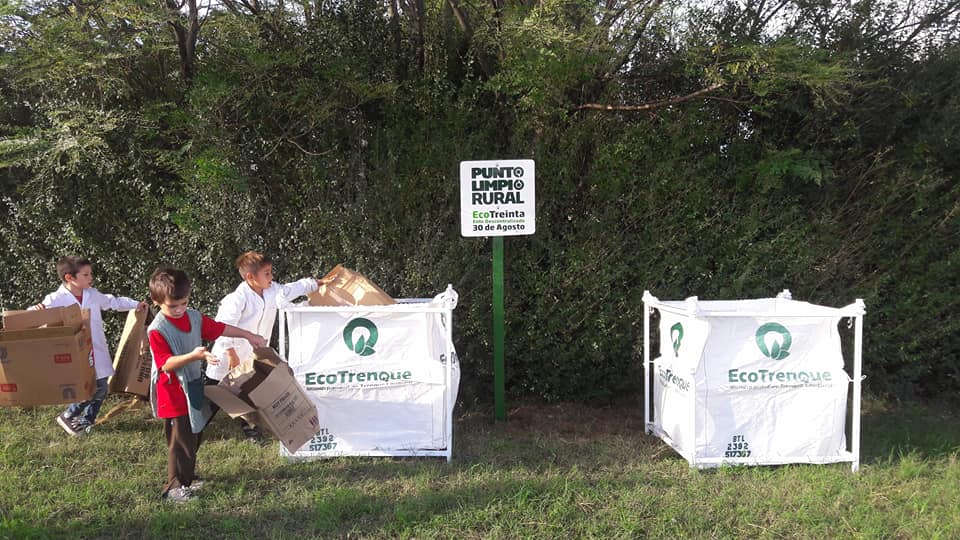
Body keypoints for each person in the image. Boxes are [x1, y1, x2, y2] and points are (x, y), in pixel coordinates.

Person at [147, 266, 266, 503]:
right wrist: (193, 356)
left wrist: (249, 336)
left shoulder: (193, 317)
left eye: (184, 303)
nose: (180, 309)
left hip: (192, 386)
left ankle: (187, 476)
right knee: (180, 441)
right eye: (173, 306)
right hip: (172, 392)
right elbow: (166, 365)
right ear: (156, 301)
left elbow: (220, 328)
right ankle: (174, 487)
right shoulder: (157, 330)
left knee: (194, 431)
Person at [205, 251, 326, 442]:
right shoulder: (236, 299)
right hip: (228, 357)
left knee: (250, 392)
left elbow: (290, 289)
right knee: (216, 396)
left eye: (270, 272)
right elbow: (221, 328)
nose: (272, 277)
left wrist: (314, 284)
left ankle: (252, 430)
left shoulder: (272, 291)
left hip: (252, 357)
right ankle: (193, 428)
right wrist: (231, 353)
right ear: (250, 277)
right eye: (267, 273)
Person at [31, 256, 148, 436]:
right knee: (93, 388)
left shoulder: (92, 294)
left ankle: (87, 422)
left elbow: (112, 302)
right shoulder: (56, 299)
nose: (90, 277)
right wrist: (36, 310)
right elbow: (36, 316)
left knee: (102, 386)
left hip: (96, 348)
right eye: (85, 274)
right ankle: (69, 414)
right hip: (75, 352)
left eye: (90, 273)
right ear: (70, 278)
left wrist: (135, 304)